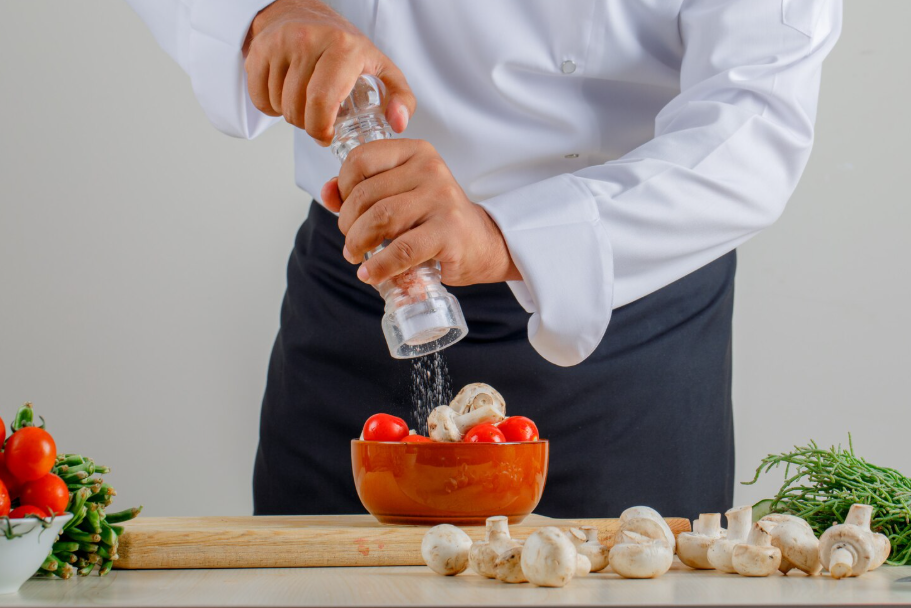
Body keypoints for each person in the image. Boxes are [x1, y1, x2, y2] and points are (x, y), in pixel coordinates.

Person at [126, 0, 842, 519]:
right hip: (367, 293)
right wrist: (261, 14)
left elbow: (758, 117)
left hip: (623, 324)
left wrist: (504, 235)